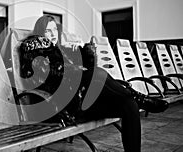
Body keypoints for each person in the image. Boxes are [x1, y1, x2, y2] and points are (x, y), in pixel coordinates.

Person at [19, 15, 169, 152]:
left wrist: (85, 53)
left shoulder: (61, 50)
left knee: (129, 104)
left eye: (54, 30)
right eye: (47, 31)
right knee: (96, 72)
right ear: (40, 32)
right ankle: (142, 99)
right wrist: (76, 67)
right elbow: (51, 76)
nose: (53, 34)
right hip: (62, 105)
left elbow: (86, 69)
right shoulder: (33, 51)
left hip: (82, 99)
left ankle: (137, 102)